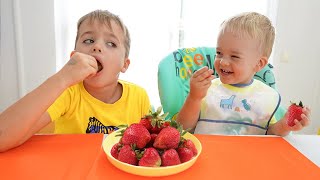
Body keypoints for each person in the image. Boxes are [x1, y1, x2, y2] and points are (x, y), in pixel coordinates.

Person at [0, 10, 151, 152]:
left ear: (124, 64)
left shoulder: (139, 97)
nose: (97, 47)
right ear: (74, 57)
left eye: (111, 43)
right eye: (89, 40)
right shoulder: (67, 92)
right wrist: (62, 77)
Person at [176, 12, 311, 136]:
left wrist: (285, 125)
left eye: (234, 56)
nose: (223, 62)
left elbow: (269, 135)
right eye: (219, 53)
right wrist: (194, 97)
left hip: (250, 159)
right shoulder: (206, 90)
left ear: (259, 64)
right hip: (208, 156)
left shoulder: (264, 96)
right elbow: (182, 128)